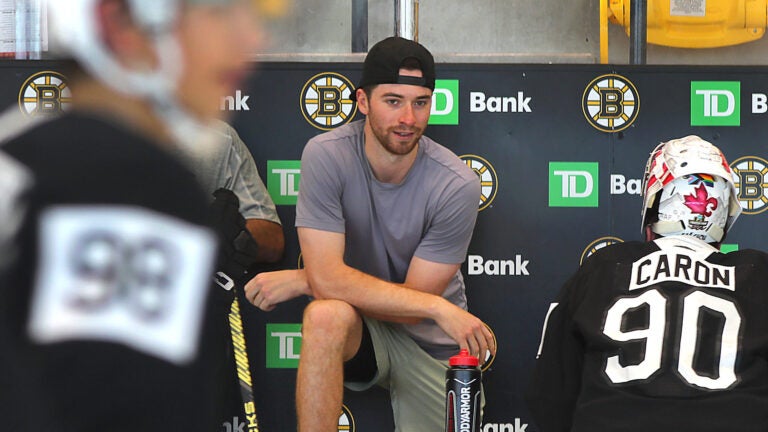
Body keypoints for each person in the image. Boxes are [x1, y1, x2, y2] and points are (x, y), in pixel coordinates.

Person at [0, 0, 265, 430]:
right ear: (121, 24)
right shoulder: (129, 181)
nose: (253, 39)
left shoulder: (23, 149)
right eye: (218, 14)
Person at [244, 36, 497, 431]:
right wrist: (436, 307)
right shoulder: (326, 155)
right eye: (393, 101)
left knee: (329, 297)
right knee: (326, 315)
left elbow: (413, 308)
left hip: (430, 345)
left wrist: (306, 279)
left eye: (420, 103)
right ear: (362, 102)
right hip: (364, 330)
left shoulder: (457, 183)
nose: (408, 119)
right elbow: (337, 284)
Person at [524, 135, 768, 432]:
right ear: (726, 209)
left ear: (655, 199)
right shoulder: (758, 272)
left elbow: (550, 392)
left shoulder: (606, 265)